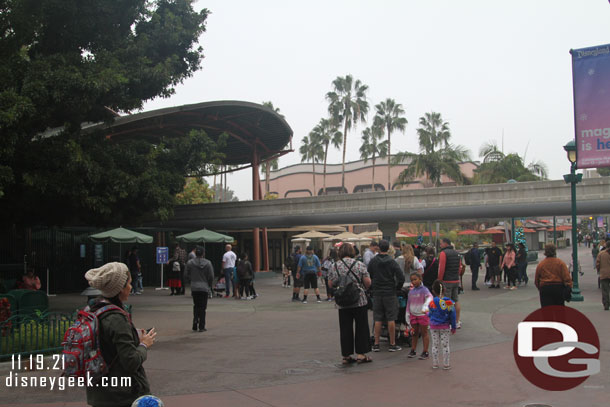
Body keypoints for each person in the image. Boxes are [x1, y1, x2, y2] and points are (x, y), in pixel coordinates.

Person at [84, 262, 155, 406]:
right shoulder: (116, 318)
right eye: (128, 283)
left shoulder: (91, 310)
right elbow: (131, 361)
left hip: (98, 393)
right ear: (119, 289)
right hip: (120, 396)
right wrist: (143, 345)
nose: (131, 287)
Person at [327, 243, 373, 364]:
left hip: (342, 301)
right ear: (352, 251)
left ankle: (346, 355)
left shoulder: (334, 266)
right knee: (361, 326)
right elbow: (367, 283)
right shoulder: (359, 264)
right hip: (359, 299)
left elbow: (330, 284)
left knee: (345, 328)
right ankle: (361, 354)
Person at [367, 239, 405, 352]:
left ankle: (376, 344)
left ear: (378, 248)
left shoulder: (373, 261)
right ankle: (392, 344)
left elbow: (369, 275)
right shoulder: (392, 261)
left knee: (377, 318)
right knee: (391, 318)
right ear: (388, 248)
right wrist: (397, 287)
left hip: (377, 292)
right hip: (390, 292)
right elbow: (401, 277)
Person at [428, 280, 457, 370]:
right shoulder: (449, 302)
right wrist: (453, 326)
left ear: (433, 291)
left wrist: (428, 317)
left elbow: (430, 313)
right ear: (444, 289)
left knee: (435, 345)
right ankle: (446, 364)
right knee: (445, 345)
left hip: (433, 326)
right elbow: (453, 315)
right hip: (445, 326)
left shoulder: (432, 302)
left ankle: (435, 363)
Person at [535, 243, 573, 307]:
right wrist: (568, 287)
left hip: (545, 288)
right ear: (555, 251)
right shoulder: (560, 263)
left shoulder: (541, 264)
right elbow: (567, 277)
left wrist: (540, 288)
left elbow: (536, 279)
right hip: (558, 288)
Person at [405, 272, 433, 360]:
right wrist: (407, 314)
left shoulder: (424, 290)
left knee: (424, 333)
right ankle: (413, 350)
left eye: (415, 279)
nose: (413, 281)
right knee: (414, 333)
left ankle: (425, 351)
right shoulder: (411, 292)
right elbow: (408, 303)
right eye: (412, 280)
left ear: (420, 279)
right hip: (413, 315)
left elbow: (430, 297)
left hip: (422, 315)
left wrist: (425, 307)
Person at [187, 246, 214, 332]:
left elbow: (186, 274)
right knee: (203, 307)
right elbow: (211, 276)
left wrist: (191, 280)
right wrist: (209, 285)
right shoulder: (208, 263)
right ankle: (202, 326)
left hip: (194, 286)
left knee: (196, 305)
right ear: (203, 253)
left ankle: (195, 321)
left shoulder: (190, 263)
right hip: (204, 287)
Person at [437, 238, 461, 329]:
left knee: (447, 301)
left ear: (445, 243)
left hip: (447, 280)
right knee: (456, 300)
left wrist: (439, 280)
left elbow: (441, 268)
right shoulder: (457, 253)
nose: (440, 245)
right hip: (455, 280)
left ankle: (449, 321)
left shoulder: (443, 253)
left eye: (441, 243)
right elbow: (459, 267)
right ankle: (457, 321)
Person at [596, 240, 610, 310]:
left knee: (605, 290)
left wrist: (598, 270)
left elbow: (597, 264)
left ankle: (606, 304)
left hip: (604, 274)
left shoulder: (601, 254)